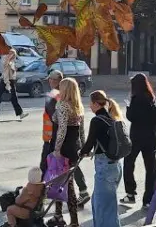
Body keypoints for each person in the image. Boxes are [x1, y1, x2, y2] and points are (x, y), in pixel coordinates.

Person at [79, 90, 124, 227]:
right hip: (115, 166)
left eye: (90, 104)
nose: (89, 107)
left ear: (96, 104)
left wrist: (81, 153)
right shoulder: (111, 117)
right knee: (103, 204)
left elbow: (89, 142)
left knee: (104, 209)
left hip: (105, 168)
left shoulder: (97, 120)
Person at [51, 77, 87, 227]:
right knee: (61, 182)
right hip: (75, 148)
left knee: (65, 185)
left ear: (64, 90)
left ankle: (73, 221)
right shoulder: (78, 106)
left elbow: (62, 129)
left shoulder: (63, 105)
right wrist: (83, 148)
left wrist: (57, 149)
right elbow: (81, 131)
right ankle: (58, 215)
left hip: (64, 148)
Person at [123, 73, 156, 207]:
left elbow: (131, 117)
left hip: (136, 136)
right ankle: (148, 199)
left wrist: (128, 105)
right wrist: (152, 131)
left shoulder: (136, 98)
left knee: (128, 163)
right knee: (150, 168)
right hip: (150, 137)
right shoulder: (150, 98)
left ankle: (130, 193)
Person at [0, 49, 25, 119]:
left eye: (13, 54)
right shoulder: (6, 61)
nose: (12, 55)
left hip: (11, 81)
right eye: (10, 53)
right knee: (1, 97)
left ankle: (20, 113)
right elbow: (5, 69)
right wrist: (7, 83)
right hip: (7, 81)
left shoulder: (12, 62)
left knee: (13, 98)